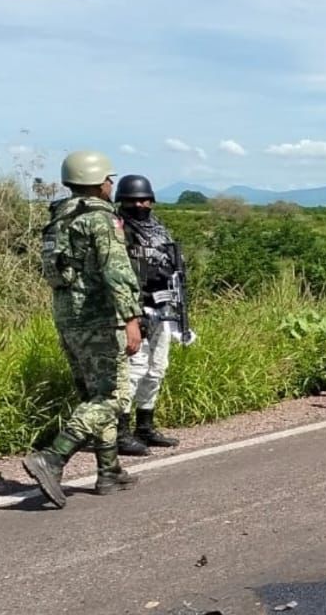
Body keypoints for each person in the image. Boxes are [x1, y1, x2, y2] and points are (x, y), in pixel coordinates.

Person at [23, 150, 145, 509]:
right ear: (96, 181)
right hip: (99, 317)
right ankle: (53, 458)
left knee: (95, 394)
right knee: (113, 398)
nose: (111, 184)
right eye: (108, 179)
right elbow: (116, 271)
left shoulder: (59, 218)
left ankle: (109, 471)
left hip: (67, 317)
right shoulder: (99, 219)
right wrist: (132, 318)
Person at [113, 174, 193, 456]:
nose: (140, 205)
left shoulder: (158, 229)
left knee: (157, 368)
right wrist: (131, 314)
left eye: (144, 200)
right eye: (133, 200)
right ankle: (120, 433)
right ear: (122, 201)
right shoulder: (118, 229)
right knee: (134, 370)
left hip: (163, 307)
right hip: (136, 310)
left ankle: (144, 427)